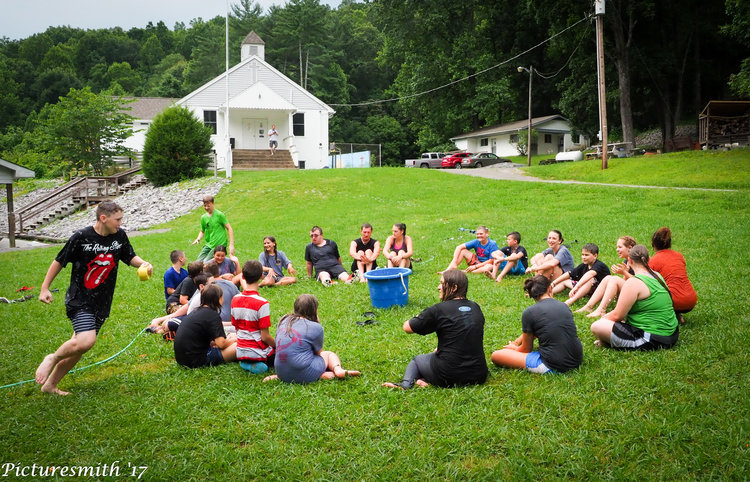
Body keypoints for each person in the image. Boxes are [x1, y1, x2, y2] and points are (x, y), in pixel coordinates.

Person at [35, 201, 153, 395]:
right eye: (118, 219)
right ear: (103, 218)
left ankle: (50, 385)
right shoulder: (81, 237)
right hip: (80, 299)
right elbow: (59, 261)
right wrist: (44, 288)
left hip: (102, 302)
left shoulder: (119, 236)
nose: (120, 223)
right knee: (86, 341)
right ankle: (52, 358)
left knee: (78, 348)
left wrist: (144, 264)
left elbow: (129, 256)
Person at [382, 270, 488, 390]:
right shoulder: (475, 307)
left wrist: (421, 315)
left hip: (448, 375)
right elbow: (465, 334)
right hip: (478, 374)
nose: (438, 287)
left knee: (417, 361)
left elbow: (407, 327)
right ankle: (425, 380)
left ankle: (405, 385)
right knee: (436, 355)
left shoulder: (438, 310)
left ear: (454, 288)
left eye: (442, 283)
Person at [590, 245, 679, 350]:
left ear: (629, 260)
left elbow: (617, 315)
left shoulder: (634, 282)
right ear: (648, 259)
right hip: (672, 334)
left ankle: (610, 340)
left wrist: (604, 318)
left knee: (597, 326)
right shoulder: (657, 275)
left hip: (653, 338)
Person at [491, 275, 583, 374]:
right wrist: (516, 342)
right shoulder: (563, 305)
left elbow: (526, 350)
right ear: (549, 289)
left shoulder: (530, 312)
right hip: (577, 358)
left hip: (554, 365)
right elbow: (539, 330)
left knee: (496, 355)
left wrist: (514, 348)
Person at [263, 294, 361, 383]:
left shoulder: (284, 320)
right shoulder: (315, 327)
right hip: (303, 371)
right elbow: (318, 354)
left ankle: (286, 376)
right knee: (328, 355)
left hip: (281, 371)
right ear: (314, 310)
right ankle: (337, 370)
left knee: (294, 357)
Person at [173, 284, 238, 368]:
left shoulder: (196, 311)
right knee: (239, 345)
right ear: (219, 299)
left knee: (230, 338)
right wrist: (233, 340)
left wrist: (228, 339)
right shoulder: (212, 315)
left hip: (182, 359)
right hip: (196, 361)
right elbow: (221, 344)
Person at [576, 236, 637, 317]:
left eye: (620, 247)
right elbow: (626, 282)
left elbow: (640, 281)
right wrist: (624, 273)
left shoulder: (637, 260)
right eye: (617, 247)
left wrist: (624, 273)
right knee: (608, 278)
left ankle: (601, 310)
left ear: (630, 248)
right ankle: (589, 306)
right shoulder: (627, 261)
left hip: (638, 294)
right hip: (631, 291)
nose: (617, 249)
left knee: (614, 278)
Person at [231, 260, 276, 373]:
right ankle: (257, 362)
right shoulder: (262, 303)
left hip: (240, 350)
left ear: (243, 277)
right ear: (261, 276)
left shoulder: (235, 299)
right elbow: (265, 337)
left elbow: (236, 327)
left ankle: (246, 362)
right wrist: (278, 345)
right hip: (258, 351)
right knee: (286, 355)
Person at [649, 227, 697, 324]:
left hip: (674, 301)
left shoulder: (654, 260)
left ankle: (667, 316)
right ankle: (677, 315)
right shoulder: (679, 256)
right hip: (691, 300)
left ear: (653, 244)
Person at [191, 195, 235, 263]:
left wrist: (231, 245)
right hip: (209, 244)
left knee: (206, 262)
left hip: (219, 244)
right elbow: (202, 231)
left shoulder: (219, 215)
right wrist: (198, 239)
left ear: (213, 204)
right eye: (205, 206)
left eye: (208, 205)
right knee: (198, 263)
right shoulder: (203, 217)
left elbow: (229, 228)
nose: (206, 207)